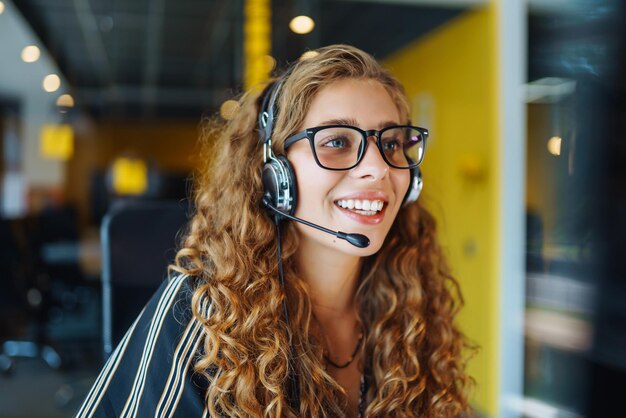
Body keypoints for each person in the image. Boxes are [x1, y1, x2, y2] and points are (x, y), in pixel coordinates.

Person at [75, 45, 472, 418]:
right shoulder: (202, 312)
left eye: (393, 143)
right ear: (273, 175)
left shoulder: (410, 301)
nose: (380, 168)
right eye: (336, 141)